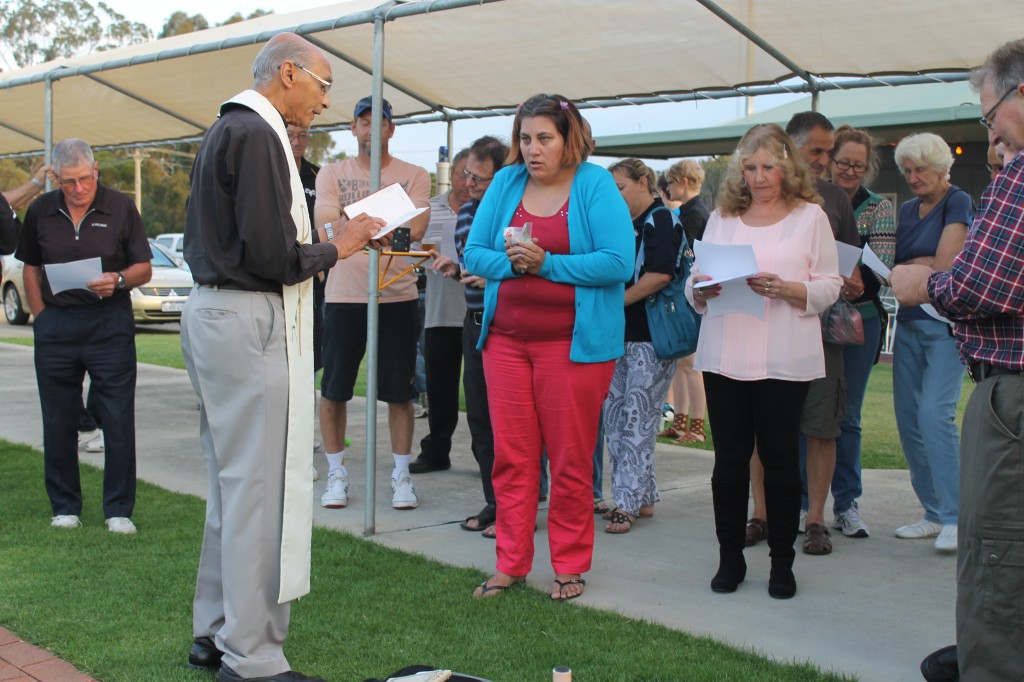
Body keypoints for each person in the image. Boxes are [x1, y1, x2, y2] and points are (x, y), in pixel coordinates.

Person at [180, 33, 383, 682]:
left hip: (217, 313)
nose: (326, 102)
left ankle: (214, 633)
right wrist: (342, 245)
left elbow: (252, 242)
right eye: (324, 86)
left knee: (231, 487)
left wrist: (324, 245)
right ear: (288, 73)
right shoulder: (257, 134)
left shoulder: (228, 129)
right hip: (246, 318)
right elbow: (272, 258)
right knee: (257, 492)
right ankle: (253, 655)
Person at [464, 93, 632, 600]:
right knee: (512, 458)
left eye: (544, 138)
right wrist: (515, 264)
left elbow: (618, 263)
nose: (532, 149)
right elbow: (475, 251)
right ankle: (510, 564)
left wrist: (547, 266)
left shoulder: (595, 184)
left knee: (570, 459)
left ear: (568, 139)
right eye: (524, 138)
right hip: (506, 344)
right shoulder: (506, 182)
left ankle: (570, 565)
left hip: (573, 348)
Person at [893, 38, 1024, 682]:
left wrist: (923, 285)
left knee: (999, 539)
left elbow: (979, 284)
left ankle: (992, 665)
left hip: (1012, 393)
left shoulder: (1018, 177)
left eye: (990, 112)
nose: (991, 128)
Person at [685, 123, 841, 599]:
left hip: (783, 354)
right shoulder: (722, 217)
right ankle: (729, 557)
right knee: (728, 463)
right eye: (750, 168)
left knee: (779, 461)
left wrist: (789, 289)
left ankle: (781, 564)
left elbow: (831, 284)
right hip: (726, 350)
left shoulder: (810, 217)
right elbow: (695, 281)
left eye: (769, 167)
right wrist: (702, 289)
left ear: (787, 167)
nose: (759, 177)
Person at [16, 138, 152, 534]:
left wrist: (120, 279)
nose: (77, 189)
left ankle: (118, 510)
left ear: (96, 172)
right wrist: (41, 318)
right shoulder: (41, 210)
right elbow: (30, 267)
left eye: (84, 180)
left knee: (117, 417)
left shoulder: (122, 206)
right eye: (68, 182)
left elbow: (143, 266)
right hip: (56, 324)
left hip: (109, 322)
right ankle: (64, 506)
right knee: (57, 417)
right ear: (56, 178)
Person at [316, 96, 431, 511]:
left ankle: (401, 476)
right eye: (363, 122)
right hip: (344, 297)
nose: (371, 129)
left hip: (396, 296)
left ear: (390, 129)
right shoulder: (332, 172)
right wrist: (373, 226)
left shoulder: (414, 174)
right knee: (335, 389)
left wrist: (356, 226)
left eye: (378, 122)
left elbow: (414, 226)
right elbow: (326, 223)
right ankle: (336, 473)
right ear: (353, 128)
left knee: (400, 392)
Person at [891, 132, 971, 554]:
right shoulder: (906, 209)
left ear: (941, 167)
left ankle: (957, 517)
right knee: (908, 421)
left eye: (920, 168)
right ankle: (934, 512)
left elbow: (945, 266)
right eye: (907, 170)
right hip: (907, 322)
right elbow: (898, 268)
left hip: (944, 325)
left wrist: (917, 268)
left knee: (933, 416)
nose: (913, 177)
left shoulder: (958, 201)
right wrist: (916, 268)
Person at [430, 136, 508, 536]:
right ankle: (496, 501)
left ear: (501, 176)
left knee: (511, 421)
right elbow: (471, 267)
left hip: (507, 323)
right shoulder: (467, 214)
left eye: (479, 179)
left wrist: (492, 276)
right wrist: (455, 269)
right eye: (465, 175)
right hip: (474, 320)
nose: (469, 185)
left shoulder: (512, 210)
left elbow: (523, 265)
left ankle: (517, 506)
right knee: (479, 417)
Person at [601, 158, 681, 534]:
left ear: (643, 182)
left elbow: (662, 274)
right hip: (620, 336)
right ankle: (641, 496)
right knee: (618, 417)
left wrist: (618, 302)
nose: (615, 196)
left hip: (650, 337)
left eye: (620, 188)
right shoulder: (626, 223)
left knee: (636, 420)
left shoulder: (661, 219)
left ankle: (626, 502)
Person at [826, 125, 897, 539]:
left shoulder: (878, 208)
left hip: (860, 317)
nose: (850, 171)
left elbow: (879, 269)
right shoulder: (811, 200)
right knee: (809, 411)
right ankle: (801, 501)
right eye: (843, 162)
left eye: (858, 164)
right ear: (829, 161)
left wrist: (853, 282)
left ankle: (847, 503)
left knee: (848, 415)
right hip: (812, 314)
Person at [408, 149, 471, 474]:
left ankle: (486, 455)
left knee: (480, 394)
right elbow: (407, 256)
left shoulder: (488, 209)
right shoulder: (430, 208)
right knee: (440, 387)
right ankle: (436, 450)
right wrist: (424, 254)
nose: (465, 182)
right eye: (461, 173)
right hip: (439, 311)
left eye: (472, 175)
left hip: (478, 313)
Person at [657, 159, 710, 444]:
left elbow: (683, 255)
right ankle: (680, 422)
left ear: (684, 182)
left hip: (693, 296)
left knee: (691, 364)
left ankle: (698, 426)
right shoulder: (689, 211)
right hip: (686, 294)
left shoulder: (695, 214)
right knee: (681, 363)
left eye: (671, 183)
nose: (668, 188)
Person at [286, 123, 325, 473]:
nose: (297, 143)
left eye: (303, 136)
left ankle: (305, 431)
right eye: (291, 135)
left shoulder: (317, 175)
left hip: (316, 274)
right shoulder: (273, 169)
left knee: (310, 359)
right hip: (284, 272)